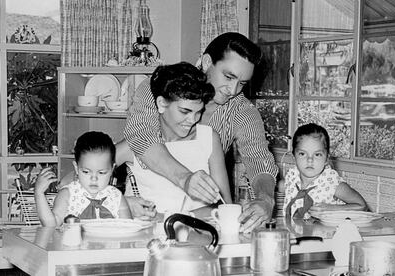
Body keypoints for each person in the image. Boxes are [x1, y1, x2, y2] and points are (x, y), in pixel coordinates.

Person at [124, 32, 278, 233]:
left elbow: (259, 160)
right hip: (149, 215)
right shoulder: (160, 86)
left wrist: (265, 200)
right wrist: (185, 179)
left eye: (242, 83)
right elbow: (141, 137)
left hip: (201, 220)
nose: (232, 90)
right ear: (206, 62)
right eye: (229, 76)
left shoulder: (242, 111)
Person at [118, 62, 232, 215]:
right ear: (162, 104)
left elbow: (225, 206)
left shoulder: (209, 139)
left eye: (198, 112)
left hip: (193, 234)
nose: (193, 120)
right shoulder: (136, 142)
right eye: (185, 111)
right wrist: (123, 202)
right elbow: (84, 184)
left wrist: (182, 220)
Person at [35, 131, 132, 226]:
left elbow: (129, 228)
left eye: (102, 172)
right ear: (76, 168)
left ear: (112, 169)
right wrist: (39, 193)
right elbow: (51, 225)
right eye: (86, 172)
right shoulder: (68, 195)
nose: (94, 178)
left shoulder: (116, 197)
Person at [281, 123, 367, 219]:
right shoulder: (291, 178)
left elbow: (361, 206)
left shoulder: (332, 183)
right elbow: (277, 187)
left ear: (326, 159)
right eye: (302, 154)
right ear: (294, 157)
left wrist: (332, 209)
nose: (310, 160)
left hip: (327, 233)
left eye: (317, 154)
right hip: (294, 233)